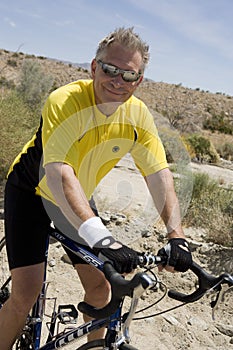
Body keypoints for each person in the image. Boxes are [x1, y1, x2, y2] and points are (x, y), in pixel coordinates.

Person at [0, 27, 192, 349]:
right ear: (93, 67)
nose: (118, 81)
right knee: (26, 291)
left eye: (128, 75)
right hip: (32, 193)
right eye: (110, 70)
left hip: (75, 199)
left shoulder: (137, 116)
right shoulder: (66, 101)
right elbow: (59, 171)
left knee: (102, 289)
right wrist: (102, 239)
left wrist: (177, 235)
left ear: (139, 81)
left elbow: (158, 174)